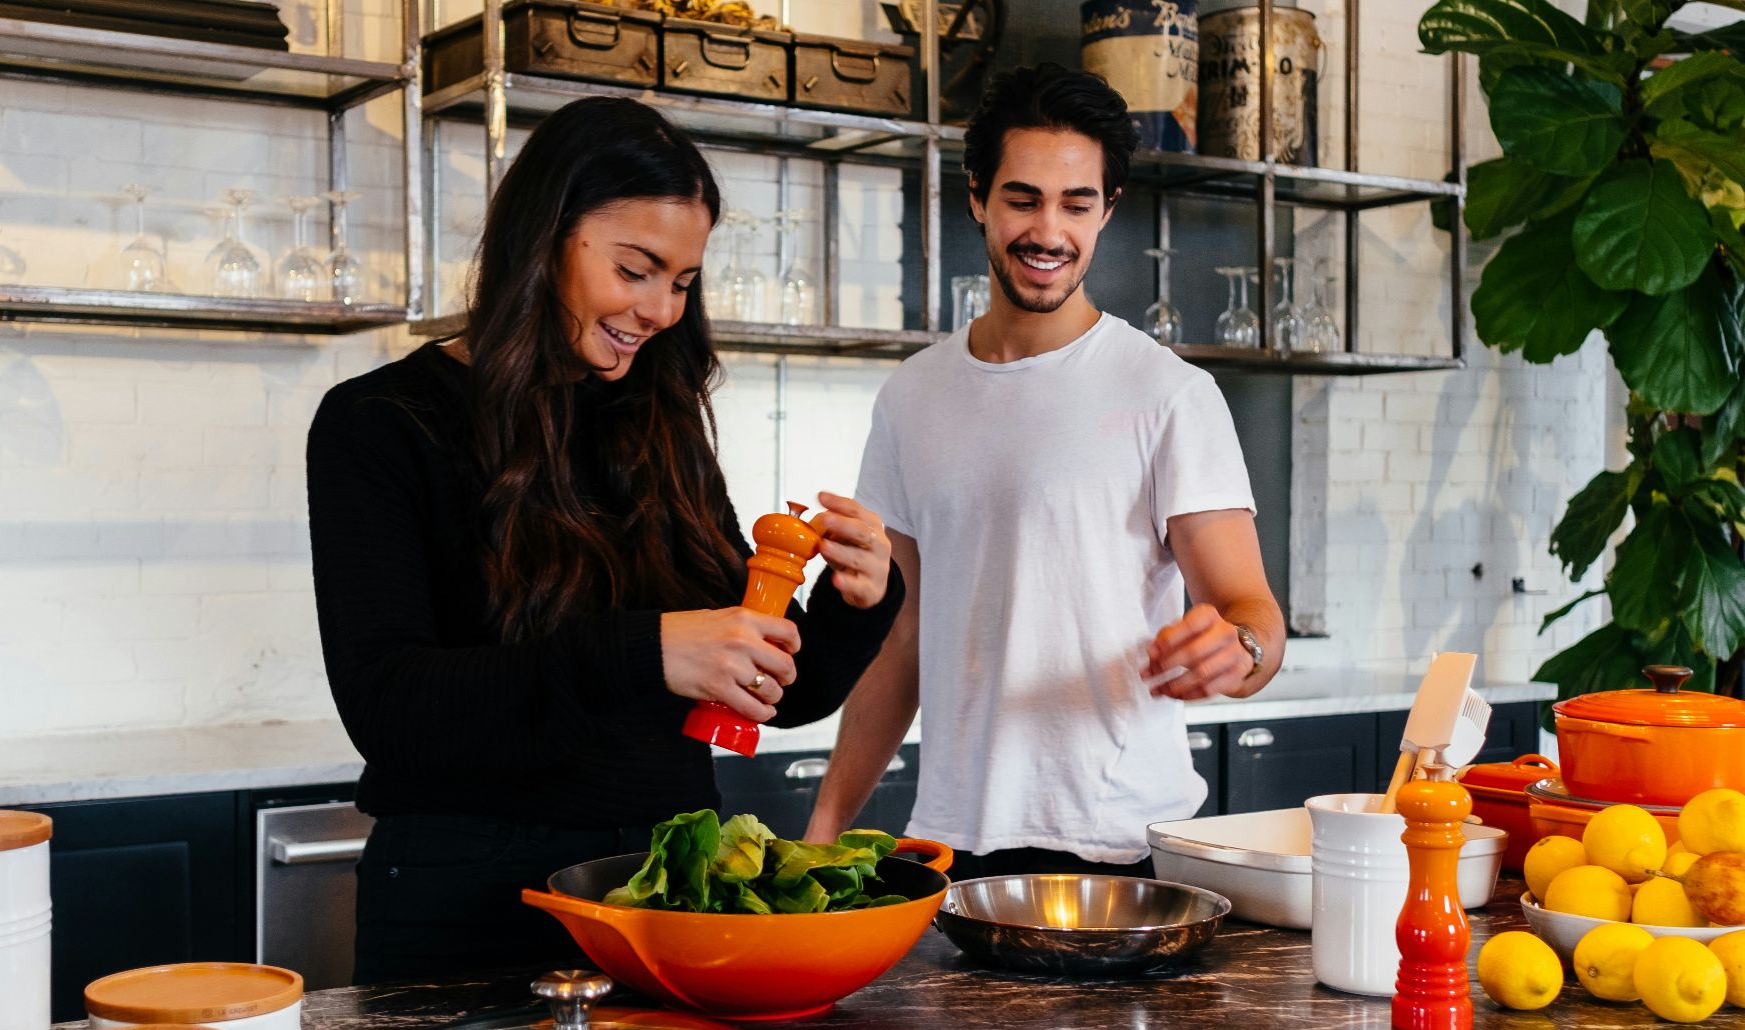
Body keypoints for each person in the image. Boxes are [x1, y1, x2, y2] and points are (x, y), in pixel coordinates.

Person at [306, 96, 904, 982]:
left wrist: (856, 602)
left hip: (666, 900)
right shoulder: (380, 424)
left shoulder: (660, 423)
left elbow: (767, 693)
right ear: (545, 237)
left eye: (684, 281)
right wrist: (647, 652)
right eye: (637, 269)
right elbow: (389, 708)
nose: (662, 309)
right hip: (466, 912)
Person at [803, 63, 1284, 879]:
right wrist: (822, 830)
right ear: (977, 198)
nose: (1048, 231)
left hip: (1124, 847)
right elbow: (902, 638)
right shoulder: (913, 395)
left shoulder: (1170, 394)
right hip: (952, 846)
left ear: (1108, 210)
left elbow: (1253, 617)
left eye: (1076, 203)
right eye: (1023, 199)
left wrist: (1236, 651)